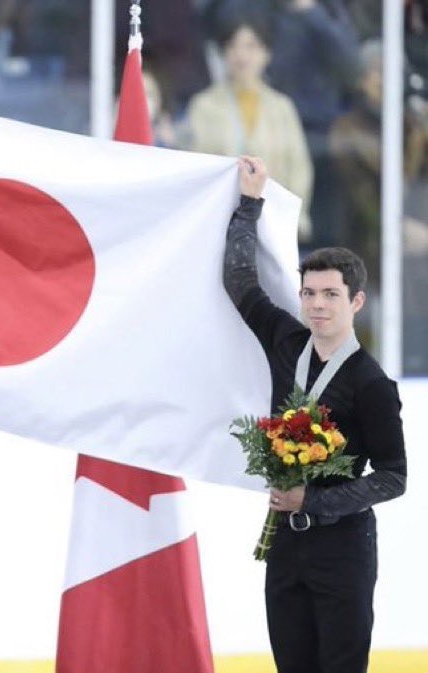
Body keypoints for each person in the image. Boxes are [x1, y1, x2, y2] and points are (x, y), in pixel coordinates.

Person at [223, 156, 407, 673]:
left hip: (343, 547)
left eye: (330, 294)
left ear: (357, 301)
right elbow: (239, 282)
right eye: (309, 293)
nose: (317, 305)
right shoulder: (287, 341)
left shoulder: (371, 383)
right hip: (284, 542)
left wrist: (317, 499)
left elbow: (395, 477)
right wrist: (249, 204)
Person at [187, 15, 312, 237]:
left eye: (251, 46)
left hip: (274, 224)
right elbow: (194, 167)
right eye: (233, 46)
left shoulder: (282, 107)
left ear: (267, 54)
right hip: (219, 225)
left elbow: (299, 170)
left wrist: (290, 219)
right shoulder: (203, 106)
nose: (241, 54)